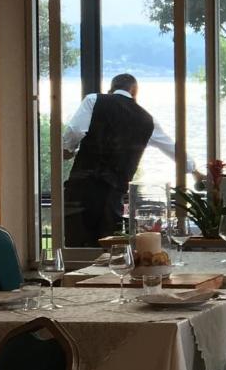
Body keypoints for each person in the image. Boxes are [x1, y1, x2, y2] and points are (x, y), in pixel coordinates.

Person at [62, 74, 200, 247]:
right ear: (134, 91)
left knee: (76, 244)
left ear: (111, 89)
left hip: (81, 188)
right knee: (108, 245)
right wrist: (194, 170)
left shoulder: (94, 100)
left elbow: (75, 130)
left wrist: (67, 149)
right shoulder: (147, 120)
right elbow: (172, 149)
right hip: (113, 193)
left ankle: (74, 272)